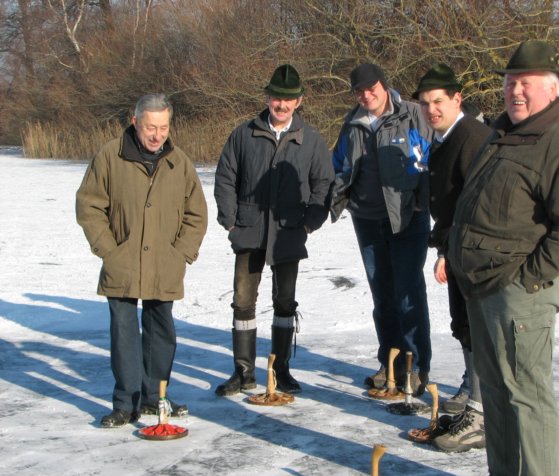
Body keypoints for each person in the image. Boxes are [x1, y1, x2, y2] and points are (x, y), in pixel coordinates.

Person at [448, 40, 559, 476]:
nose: (515, 91)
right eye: (510, 82)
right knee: (497, 396)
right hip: (483, 286)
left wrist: (528, 280)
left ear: (553, 90)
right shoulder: (506, 133)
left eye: (526, 84)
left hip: (520, 294)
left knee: (528, 400)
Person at [76, 93, 208, 428]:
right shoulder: (110, 156)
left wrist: (180, 254)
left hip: (165, 263)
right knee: (123, 333)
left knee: (161, 332)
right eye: (151, 127)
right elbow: (89, 205)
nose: (157, 134)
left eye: (163, 127)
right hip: (122, 262)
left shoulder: (180, 162)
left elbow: (196, 214)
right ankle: (125, 402)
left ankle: (155, 396)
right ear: (135, 121)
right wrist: (109, 249)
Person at [214, 64, 334, 396]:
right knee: (242, 301)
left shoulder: (310, 140)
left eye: (288, 100)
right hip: (249, 231)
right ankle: (244, 371)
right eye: (276, 98)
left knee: (285, 302)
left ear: (299, 101)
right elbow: (226, 178)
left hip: (289, 231)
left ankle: (280, 369)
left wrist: (310, 221)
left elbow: (323, 184)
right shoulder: (244, 134)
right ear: (268, 98)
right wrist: (231, 220)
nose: (281, 105)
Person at [331, 63, 432, 394]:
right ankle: (390, 362)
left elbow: (432, 159)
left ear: (384, 85)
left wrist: (422, 200)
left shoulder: (413, 114)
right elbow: (340, 166)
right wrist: (331, 197)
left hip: (407, 217)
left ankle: (416, 366)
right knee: (382, 295)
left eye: (371, 87)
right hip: (368, 218)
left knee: (408, 293)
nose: (366, 95)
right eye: (359, 90)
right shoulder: (353, 122)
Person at [412, 63, 493, 452]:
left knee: (475, 327)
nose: (431, 110)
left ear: (457, 99)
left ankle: (480, 415)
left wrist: (450, 250)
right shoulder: (443, 138)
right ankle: (473, 401)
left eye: (438, 101)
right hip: (457, 246)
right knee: (463, 324)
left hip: (476, 253)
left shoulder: (472, 137)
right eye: (426, 103)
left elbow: (477, 204)